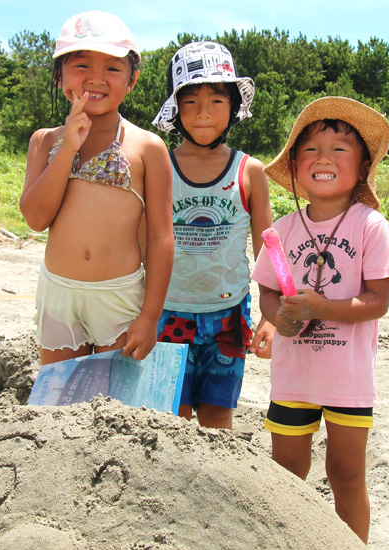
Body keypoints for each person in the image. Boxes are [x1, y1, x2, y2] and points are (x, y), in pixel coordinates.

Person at [251, 97, 389, 543]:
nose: (323, 157)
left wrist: (321, 308)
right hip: (293, 378)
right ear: (296, 166)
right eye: (311, 149)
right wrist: (279, 317)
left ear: (361, 169)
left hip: (347, 380)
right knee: (286, 473)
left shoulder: (371, 227)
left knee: (346, 472)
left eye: (340, 148)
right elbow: (267, 291)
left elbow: (377, 301)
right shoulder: (282, 230)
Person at [20, 11, 173, 366]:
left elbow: (161, 237)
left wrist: (150, 317)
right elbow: (35, 218)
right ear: (60, 77)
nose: (96, 79)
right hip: (59, 292)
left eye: (113, 69)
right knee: (58, 402)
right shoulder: (45, 141)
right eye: (82, 66)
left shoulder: (147, 147)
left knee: (112, 400)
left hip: (118, 294)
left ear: (132, 80)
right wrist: (68, 147)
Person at [151, 41, 274, 431]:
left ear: (235, 106)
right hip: (168, 311)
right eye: (190, 100)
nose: (203, 112)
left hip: (229, 314)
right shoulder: (159, 166)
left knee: (219, 419)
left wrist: (270, 316)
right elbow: (144, 241)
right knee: (172, 417)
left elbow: (267, 245)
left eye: (216, 100)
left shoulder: (249, 171)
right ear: (175, 108)